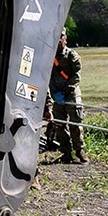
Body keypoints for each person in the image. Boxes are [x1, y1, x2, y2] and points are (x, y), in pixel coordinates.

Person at [43, 27, 88, 164]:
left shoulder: (71, 55)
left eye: (61, 37)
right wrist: (54, 95)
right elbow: (46, 77)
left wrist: (66, 91)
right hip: (57, 95)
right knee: (60, 125)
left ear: (65, 39)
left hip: (71, 95)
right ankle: (66, 153)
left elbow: (76, 76)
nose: (58, 40)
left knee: (75, 124)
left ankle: (80, 150)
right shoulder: (48, 56)